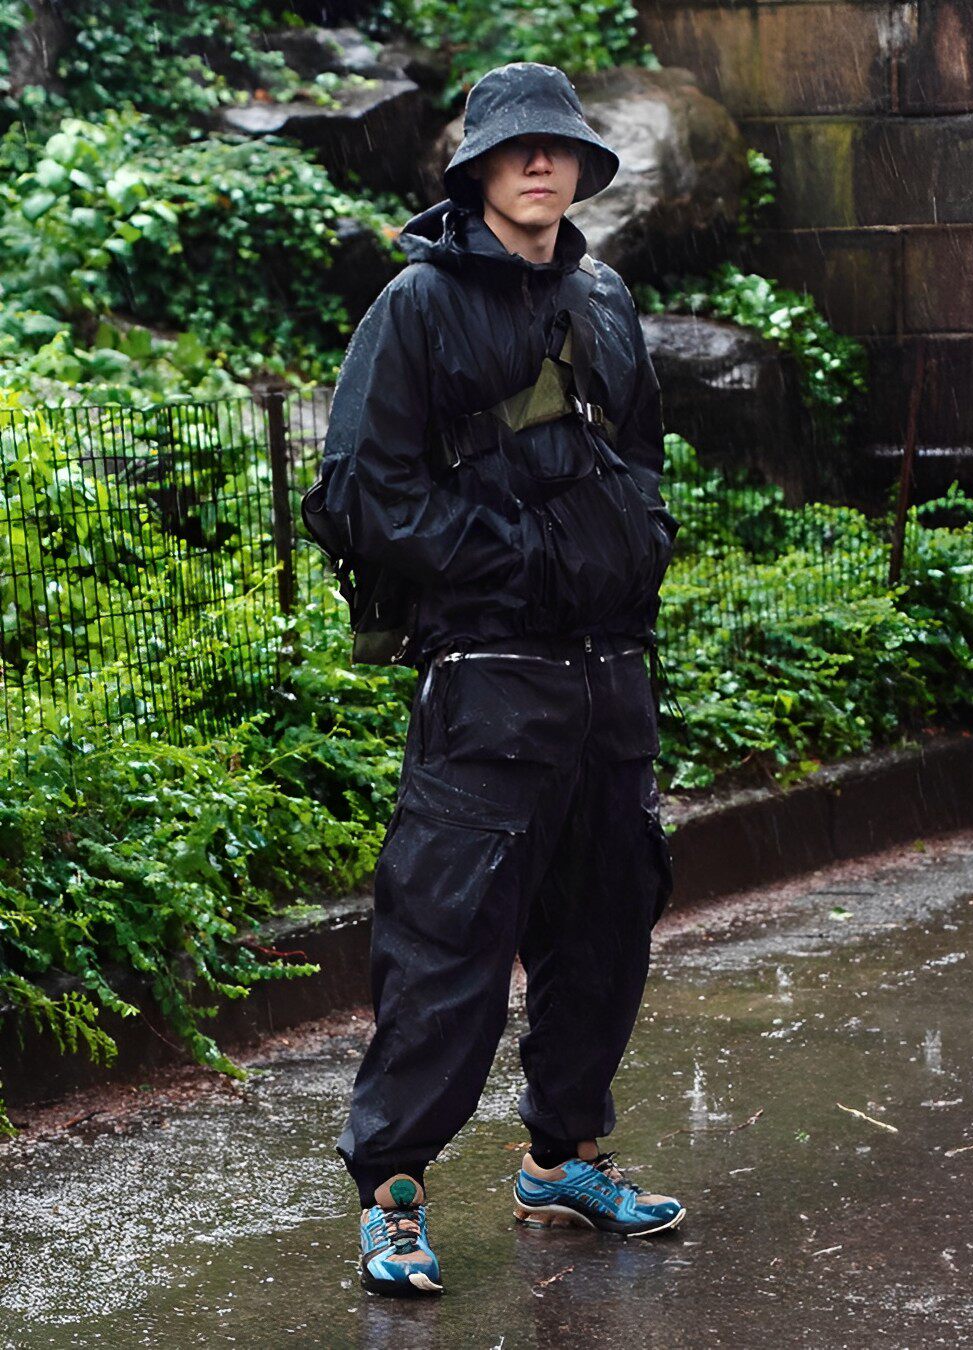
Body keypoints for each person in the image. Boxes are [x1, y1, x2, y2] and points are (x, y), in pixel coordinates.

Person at [318, 60, 684, 1299]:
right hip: (487, 682)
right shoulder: (417, 307)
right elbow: (362, 492)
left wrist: (640, 537)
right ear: (476, 168)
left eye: (557, 147)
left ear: (581, 168)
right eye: (516, 148)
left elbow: (641, 453)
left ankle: (561, 1162)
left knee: (605, 934)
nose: (539, 163)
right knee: (448, 947)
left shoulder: (607, 298)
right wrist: (514, 557)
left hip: (610, 683)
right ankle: (394, 1194)